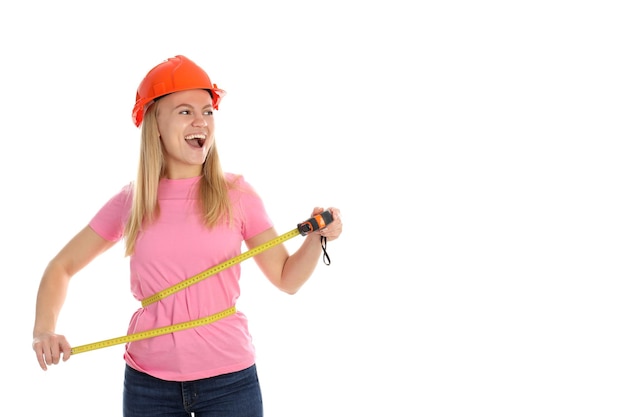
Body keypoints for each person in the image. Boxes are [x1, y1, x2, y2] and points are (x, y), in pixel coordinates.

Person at [32, 54, 343, 417]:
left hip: (230, 382)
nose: (201, 121)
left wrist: (315, 238)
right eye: (184, 111)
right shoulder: (131, 202)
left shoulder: (237, 195)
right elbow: (61, 266)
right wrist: (43, 331)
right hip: (148, 385)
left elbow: (286, 279)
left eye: (208, 111)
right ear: (155, 125)